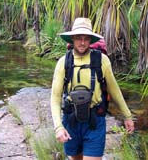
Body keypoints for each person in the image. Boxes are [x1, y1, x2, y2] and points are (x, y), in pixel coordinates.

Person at [51, 17, 134, 160]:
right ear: (72, 39)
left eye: (86, 38)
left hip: (95, 121)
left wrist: (127, 116)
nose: (82, 42)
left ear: (90, 40)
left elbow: (114, 90)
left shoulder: (102, 60)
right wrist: (58, 127)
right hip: (71, 121)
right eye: (78, 38)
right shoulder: (63, 62)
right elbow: (55, 97)